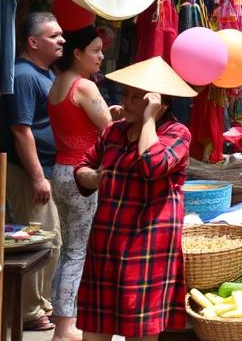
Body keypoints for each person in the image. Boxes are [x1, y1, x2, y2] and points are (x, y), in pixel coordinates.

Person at [74, 57, 195, 341]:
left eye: (136, 97)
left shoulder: (176, 133)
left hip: (147, 241)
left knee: (139, 330)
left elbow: (152, 165)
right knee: (95, 326)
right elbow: (82, 166)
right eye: (125, 94)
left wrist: (150, 119)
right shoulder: (114, 132)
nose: (126, 102)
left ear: (159, 103)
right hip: (107, 239)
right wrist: (92, 177)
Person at [48, 26, 115, 341]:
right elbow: (110, 130)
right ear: (78, 53)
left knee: (68, 251)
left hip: (61, 170)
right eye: (96, 50)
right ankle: (65, 328)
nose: (101, 57)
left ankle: (62, 323)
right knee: (78, 253)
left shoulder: (58, 83)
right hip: (81, 176)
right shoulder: (85, 87)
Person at [0, 12, 65, 332]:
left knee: (52, 240)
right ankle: (28, 310)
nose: (61, 41)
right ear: (33, 41)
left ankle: (43, 303)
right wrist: (38, 177)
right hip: (30, 173)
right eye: (54, 36)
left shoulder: (46, 74)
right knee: (38, 242)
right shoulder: (23, 75)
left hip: (49, 168)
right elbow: (21, 130)